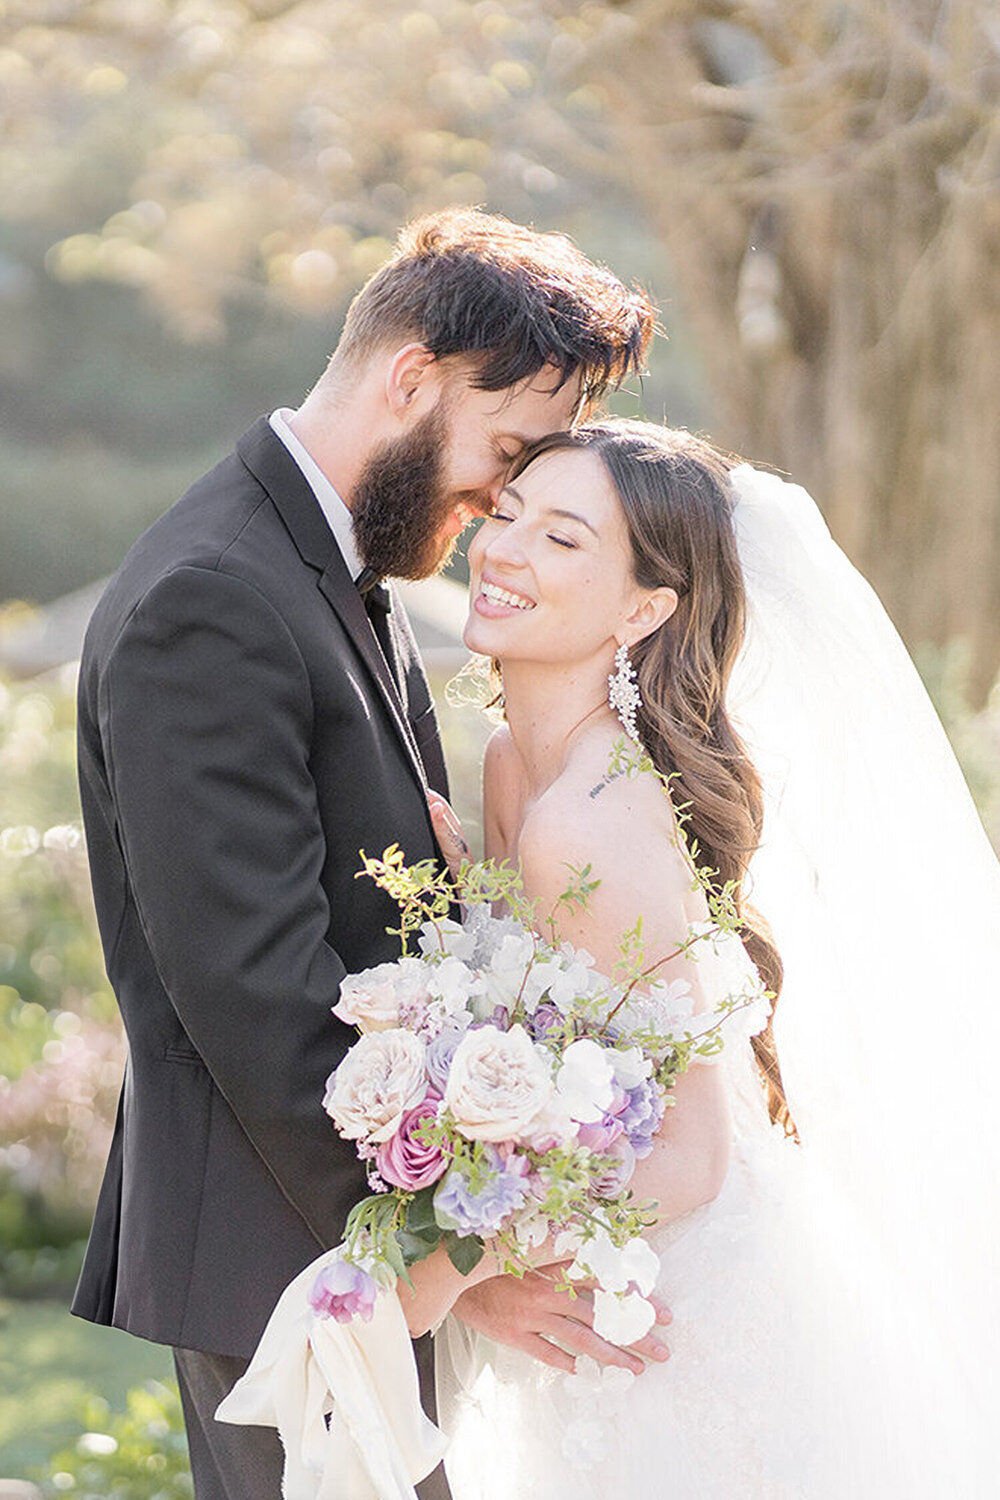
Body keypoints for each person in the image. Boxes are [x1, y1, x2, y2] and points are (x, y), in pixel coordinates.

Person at [71, 210, 661, 1500]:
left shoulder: (335, 572)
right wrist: (431, 1266)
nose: (495, 503)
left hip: (347, 1260)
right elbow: (254, 993)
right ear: (411, 377)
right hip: (291, 1274)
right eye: (501, 452)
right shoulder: (213, 598)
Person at [396, 420, 1000, 1497]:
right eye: (510, 513)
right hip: (603, 1273)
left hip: (689, 1315)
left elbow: (687, 1157)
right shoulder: (509, 764)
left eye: (564, 538)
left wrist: (441, 1274)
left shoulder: (588, 816)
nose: (502, 550)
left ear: (645, 609)